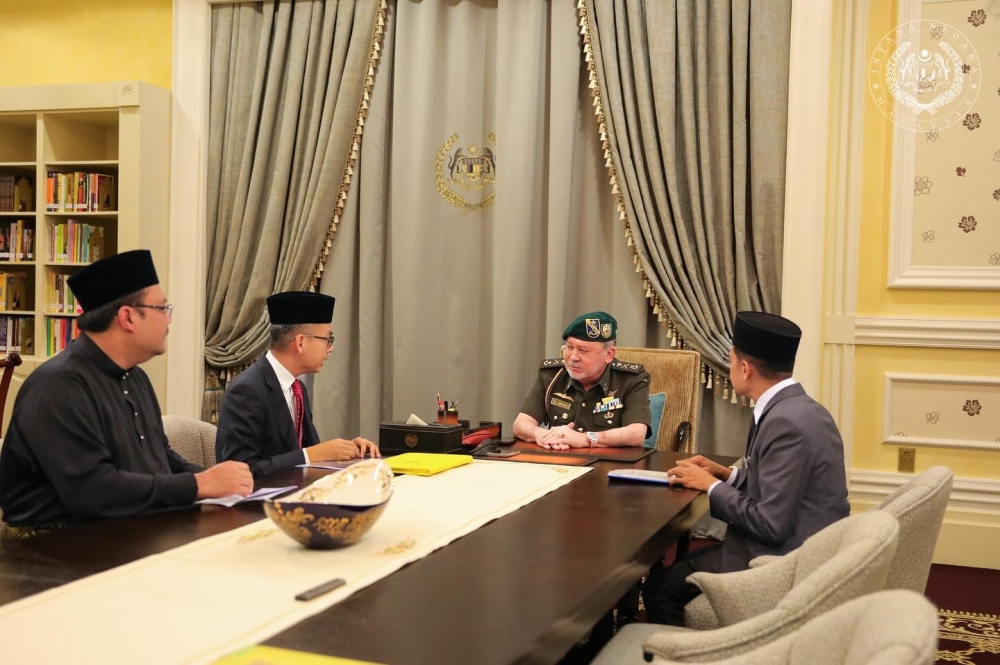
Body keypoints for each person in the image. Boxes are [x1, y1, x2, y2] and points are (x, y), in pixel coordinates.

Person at [0, 250, 253, 538]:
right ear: (128, 317)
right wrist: (199, 485)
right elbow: (93, 491)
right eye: (162, 308)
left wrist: (223, 482)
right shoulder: (58, 386)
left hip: (125, 526)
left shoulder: (136, 377)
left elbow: (160, 454)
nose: (168, 321)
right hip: (52, 546)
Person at [642, 311, 850, 625]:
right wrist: (729, 475)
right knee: (682, 563)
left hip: (786, 562)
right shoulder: (799, 407)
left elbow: (770, 524)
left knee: (658, 589)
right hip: (805, 544)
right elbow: (782, 485)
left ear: (745, 368)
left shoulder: (784, 422)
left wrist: (711, 486)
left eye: (731, 358)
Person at [216, 291, 379, 478]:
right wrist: (312, 454)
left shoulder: (298, 388)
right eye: (327, 339)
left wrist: (347, 450)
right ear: (300, 342)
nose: (330, 348)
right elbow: (239, 471)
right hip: (256, 505)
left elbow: (306, 453)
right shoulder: (247, 391)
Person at [513, 311, 651, 449]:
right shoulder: (552, 375)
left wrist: (586, 439)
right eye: (569, 347)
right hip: (559, 463)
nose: (573, 357)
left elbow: (637, 434)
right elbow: (521, 424)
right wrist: (541, 435)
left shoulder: (631, 379)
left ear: (609, 355)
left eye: (583, 351)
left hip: (608, 464)